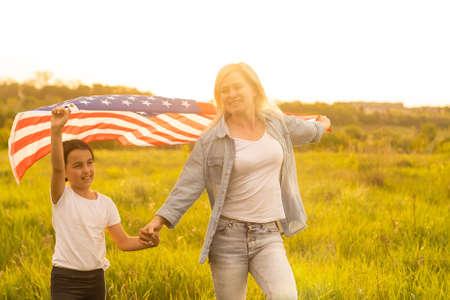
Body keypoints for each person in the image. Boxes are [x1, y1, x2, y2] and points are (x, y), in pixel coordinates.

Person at [139, 63, 331, 300]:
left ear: (254, 89)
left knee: (286, 296)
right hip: (227, 237)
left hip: (268, 233)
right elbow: (188, 184)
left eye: (237, 87)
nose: (231, 94)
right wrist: (160, 219)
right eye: (224, 90)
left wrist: (322, 125)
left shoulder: (276, 123)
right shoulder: (212, 139)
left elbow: (307, 130)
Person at [50, 106, 159, 300]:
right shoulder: (62, 197)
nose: (86, 170)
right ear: (66, 172)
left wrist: (148, 243)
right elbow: (56, 168)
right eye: (77, 165)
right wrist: (56, 130)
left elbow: (124, 242)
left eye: (89, 163)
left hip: (95, 280)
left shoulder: (106, 204)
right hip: (65, 279)